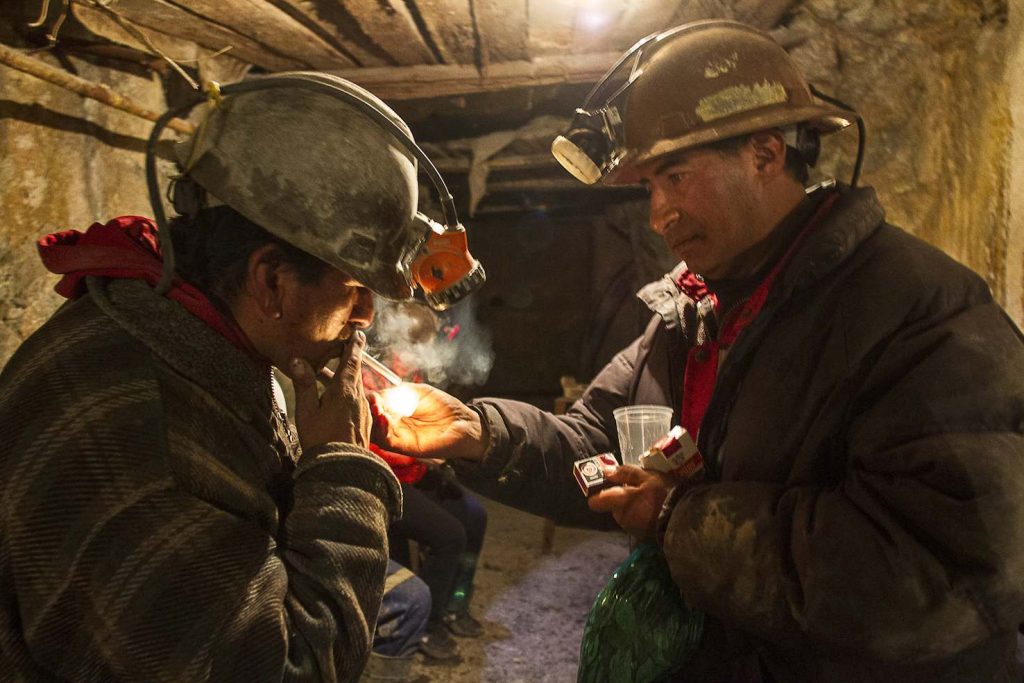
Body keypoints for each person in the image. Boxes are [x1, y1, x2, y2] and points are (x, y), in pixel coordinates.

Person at [372, 19, 1024, 683]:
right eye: (652, 186)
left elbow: (942, 573)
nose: (659, 214)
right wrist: (479, 431)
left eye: (677, 177)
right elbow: (595, 438)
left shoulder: (919, 311)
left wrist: (680, 516)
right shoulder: (691, 312)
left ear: (766, 156)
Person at [0, 73, 481, 682]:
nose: (364, 318)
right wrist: (341, 461)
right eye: (356, 290)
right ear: (271, 280)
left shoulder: (179, 331)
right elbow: (289, 667)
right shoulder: (140, 425)